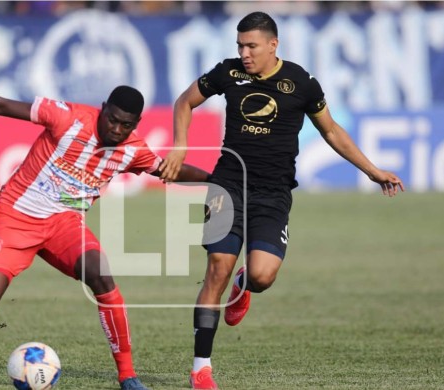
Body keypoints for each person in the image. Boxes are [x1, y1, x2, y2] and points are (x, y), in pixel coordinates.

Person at [0, 81, 210, 390]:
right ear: (102, 109)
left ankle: (127, 376)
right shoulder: (67, 117)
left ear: (135, 124)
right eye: (112, 119)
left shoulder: (132, 150)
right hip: (15, 217)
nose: (115, 129)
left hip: (64, 225)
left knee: (102, 278)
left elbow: (170, 170)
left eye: (125, 125)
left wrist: (216, 179)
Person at [158, 11, 405, 390]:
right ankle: (200, 368)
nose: (244, 53)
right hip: (228, 185)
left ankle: (244, 288)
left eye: (251, 46)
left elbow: (333, 131)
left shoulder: (302, 83)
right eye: (239, 45)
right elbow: (184, 102)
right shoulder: (227, 73)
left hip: (273, 193)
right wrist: (179, 145)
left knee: (262, 275)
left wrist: (372, 171)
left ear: (273, 45)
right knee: (216, 269)